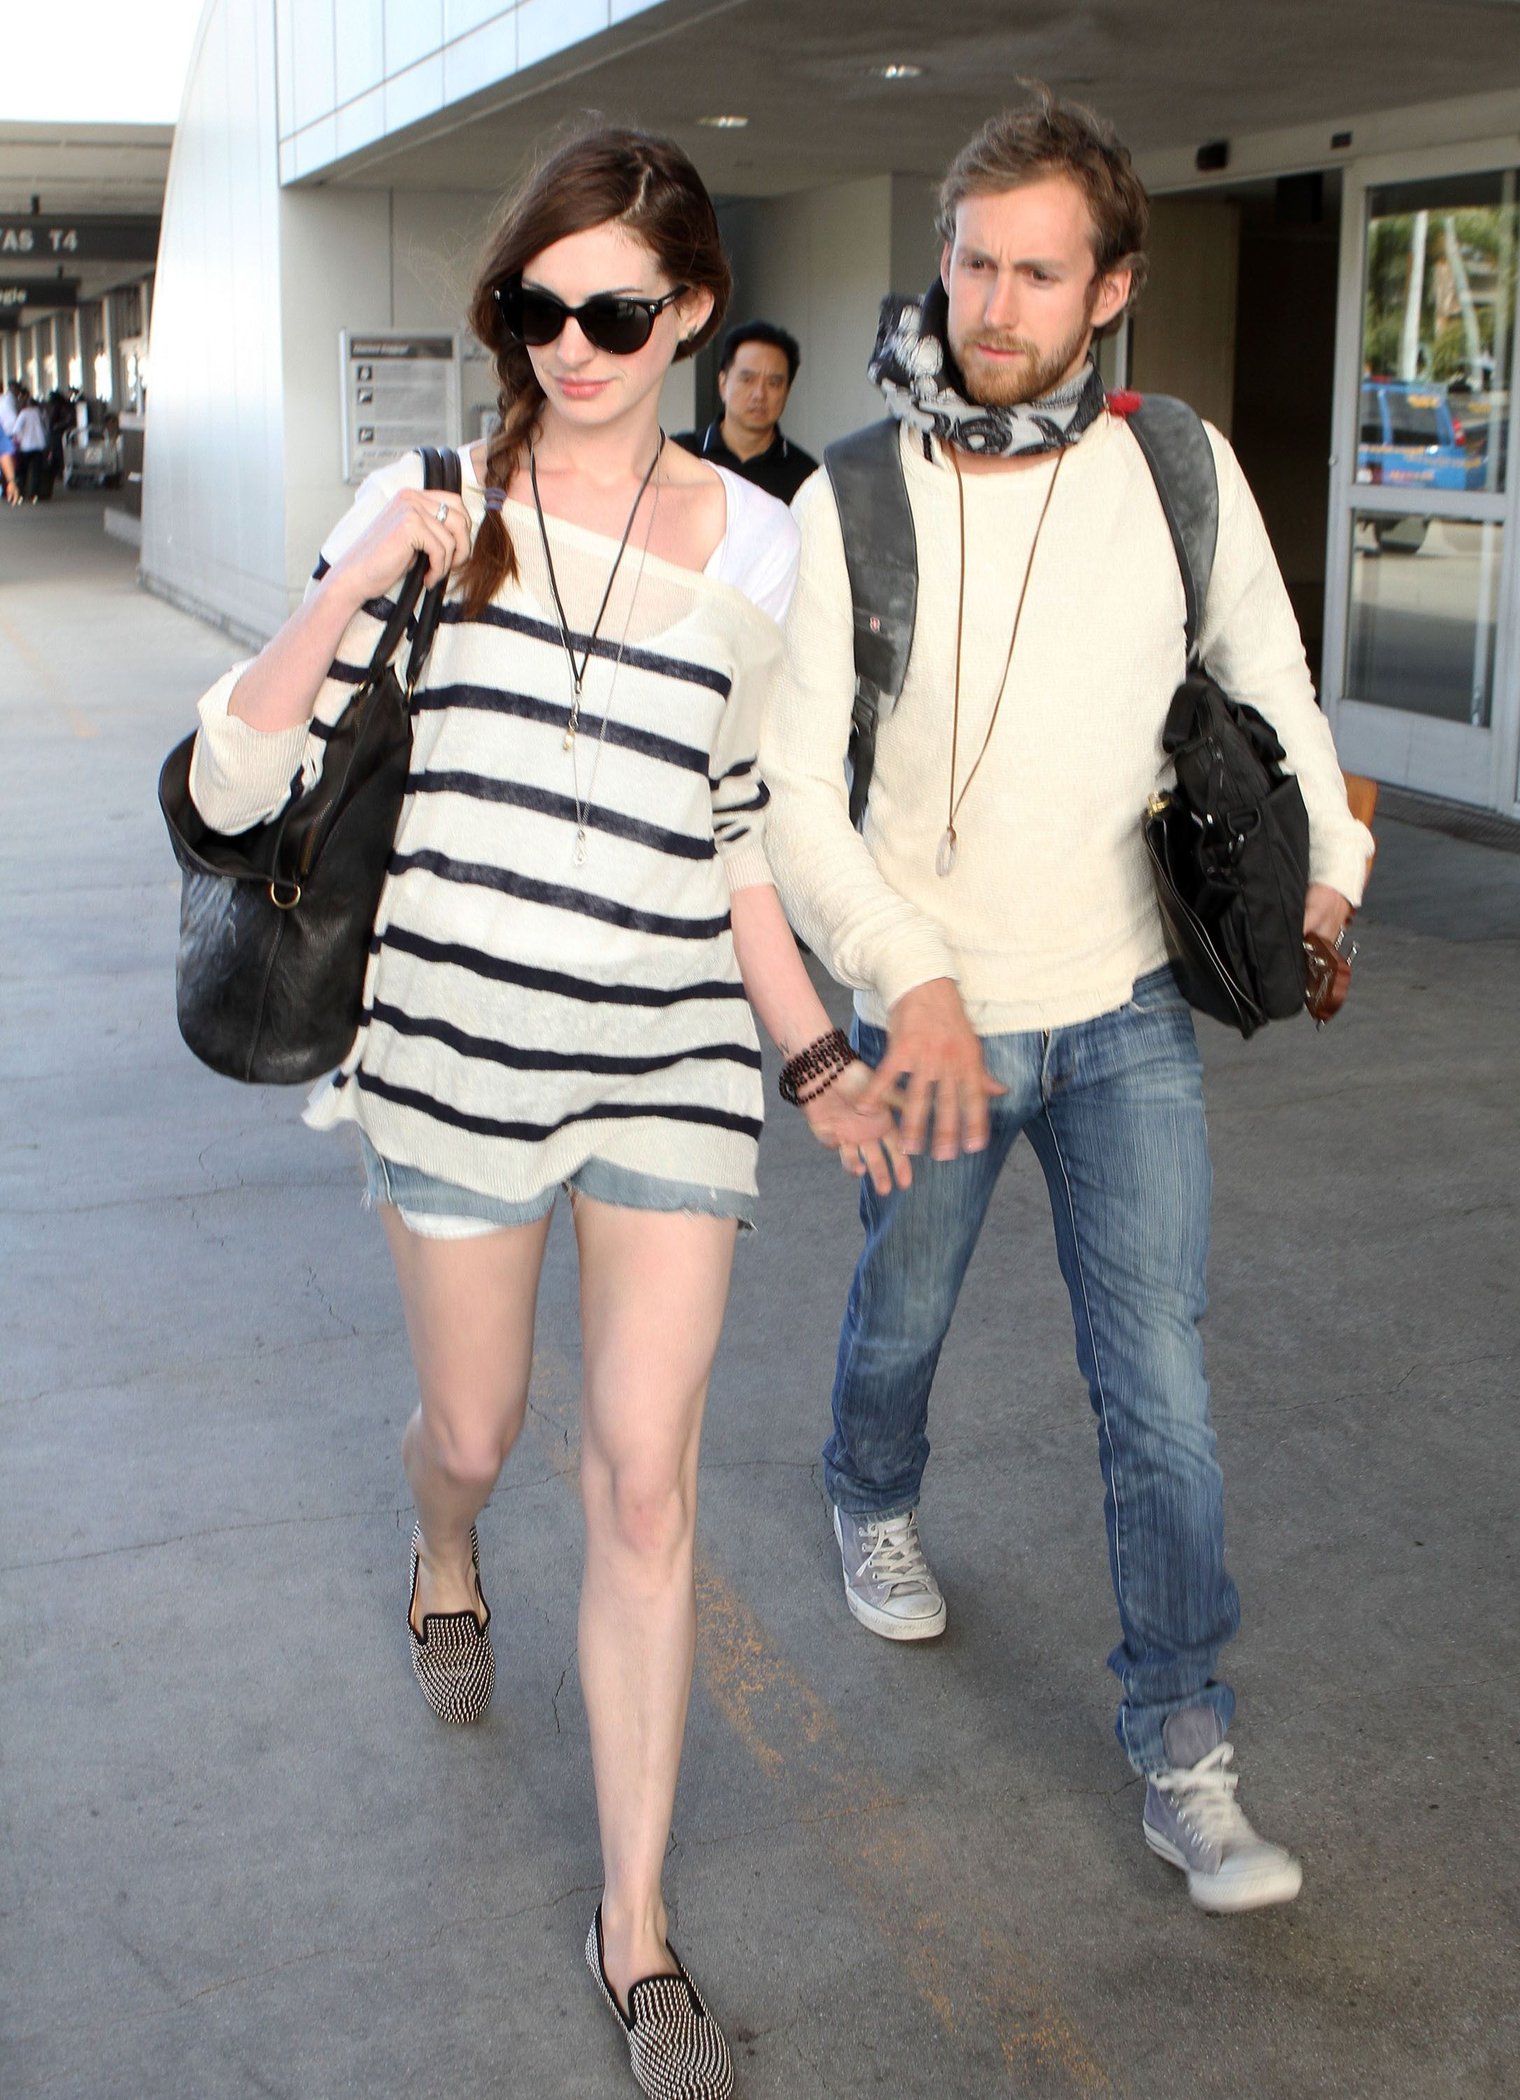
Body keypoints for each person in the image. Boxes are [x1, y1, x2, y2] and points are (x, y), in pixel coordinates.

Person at [183, 124, 902, 2100]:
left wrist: (813, 1050)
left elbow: (741, 831)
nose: (570, 346)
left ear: (691, 314)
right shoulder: (430, 499)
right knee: (480, 1436)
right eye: (535, 305)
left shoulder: (761, 542)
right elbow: (233, 786)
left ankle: (634, 1926)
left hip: (670, 1053)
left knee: (646, 1484)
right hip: (457, 1053)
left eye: (614, 312)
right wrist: (359, 576)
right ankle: (442, 1547)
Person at [761, 88, 1374, 1916]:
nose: (992, 307)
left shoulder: (1171, 468)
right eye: (971, 265)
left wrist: (1331, 870)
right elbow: (794, 798)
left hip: (1119, 1009)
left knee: (1158, 1388)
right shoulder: (852, 494)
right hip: (933, 1014)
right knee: (903, 1312)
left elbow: (1270, 681)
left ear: (1109, 290)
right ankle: (869, 1488)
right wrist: (911, 980)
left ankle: (1184, 1750)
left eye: (1037, 274)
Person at [675, 320, 817, 502]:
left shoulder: (806, 477)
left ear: (787, 391)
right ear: (723, 383)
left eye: (773, 383)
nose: (759, 395)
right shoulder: (680, 454)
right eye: (747, 379)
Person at [13, 389, 52, 503]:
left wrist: (20, 438)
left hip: (25, 447)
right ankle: (34, 495)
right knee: (36, 472)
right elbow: (47, 428)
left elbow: (16, 429)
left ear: (27, 405)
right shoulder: (41, 413)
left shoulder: (24, 413)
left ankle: (20, 494)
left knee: (23, 472)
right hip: (39, 447)